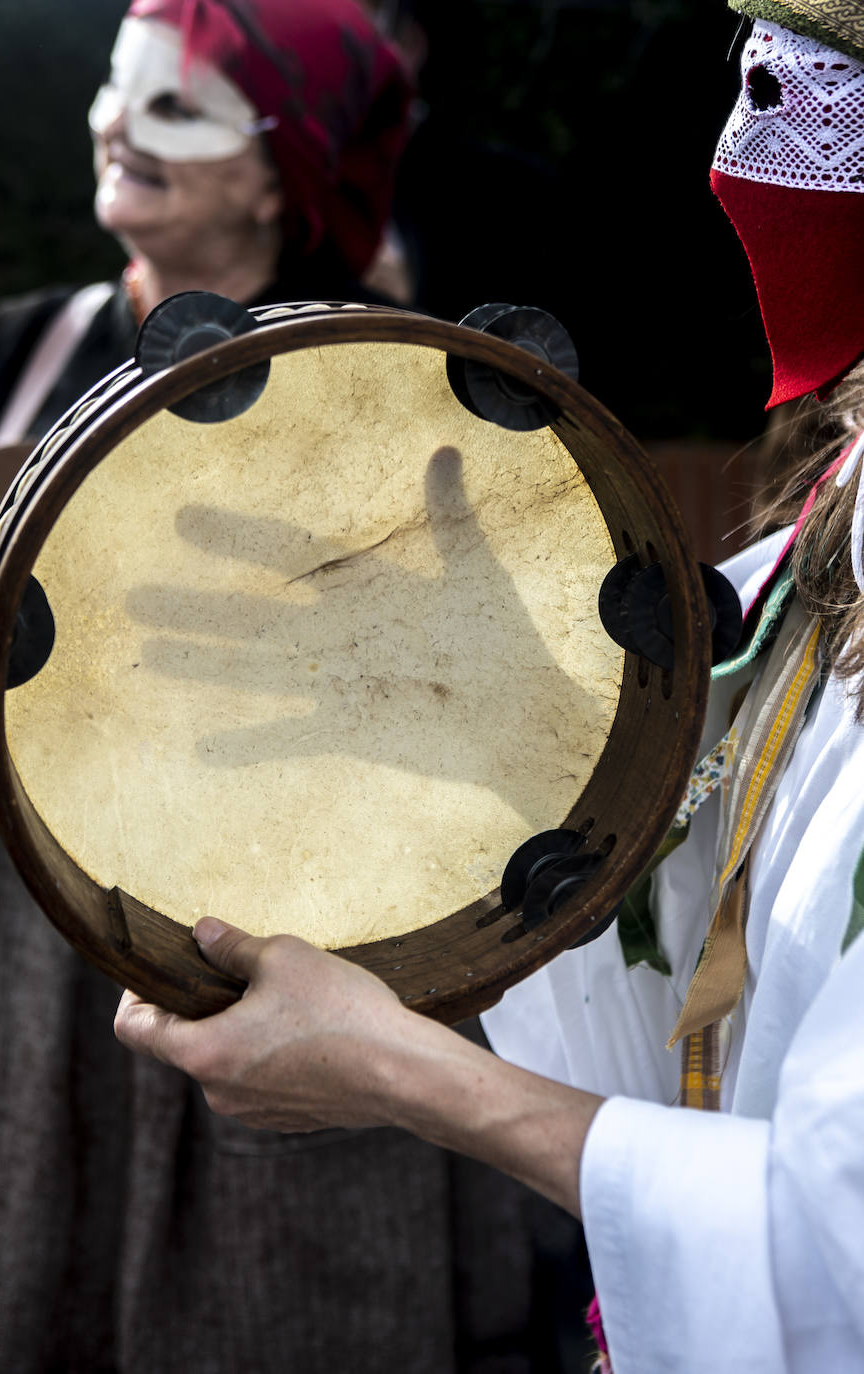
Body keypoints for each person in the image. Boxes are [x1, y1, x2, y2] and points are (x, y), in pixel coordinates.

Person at [115, 2, 864, 1370]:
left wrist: (394, 1067)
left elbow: (837, 1252)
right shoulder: (839, 505)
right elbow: (724, 980)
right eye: (760, 62)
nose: (756, 129)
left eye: (817, 78)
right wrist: (520, 726)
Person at [0, 4, 558, 1372]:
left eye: (176, 108)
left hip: (285, 913)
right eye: (115, 90)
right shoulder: (27, 340)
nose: (117, 123)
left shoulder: (388, 368)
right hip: (32, 899)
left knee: (285, 1285)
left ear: (285, 170)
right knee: (23, 1225)